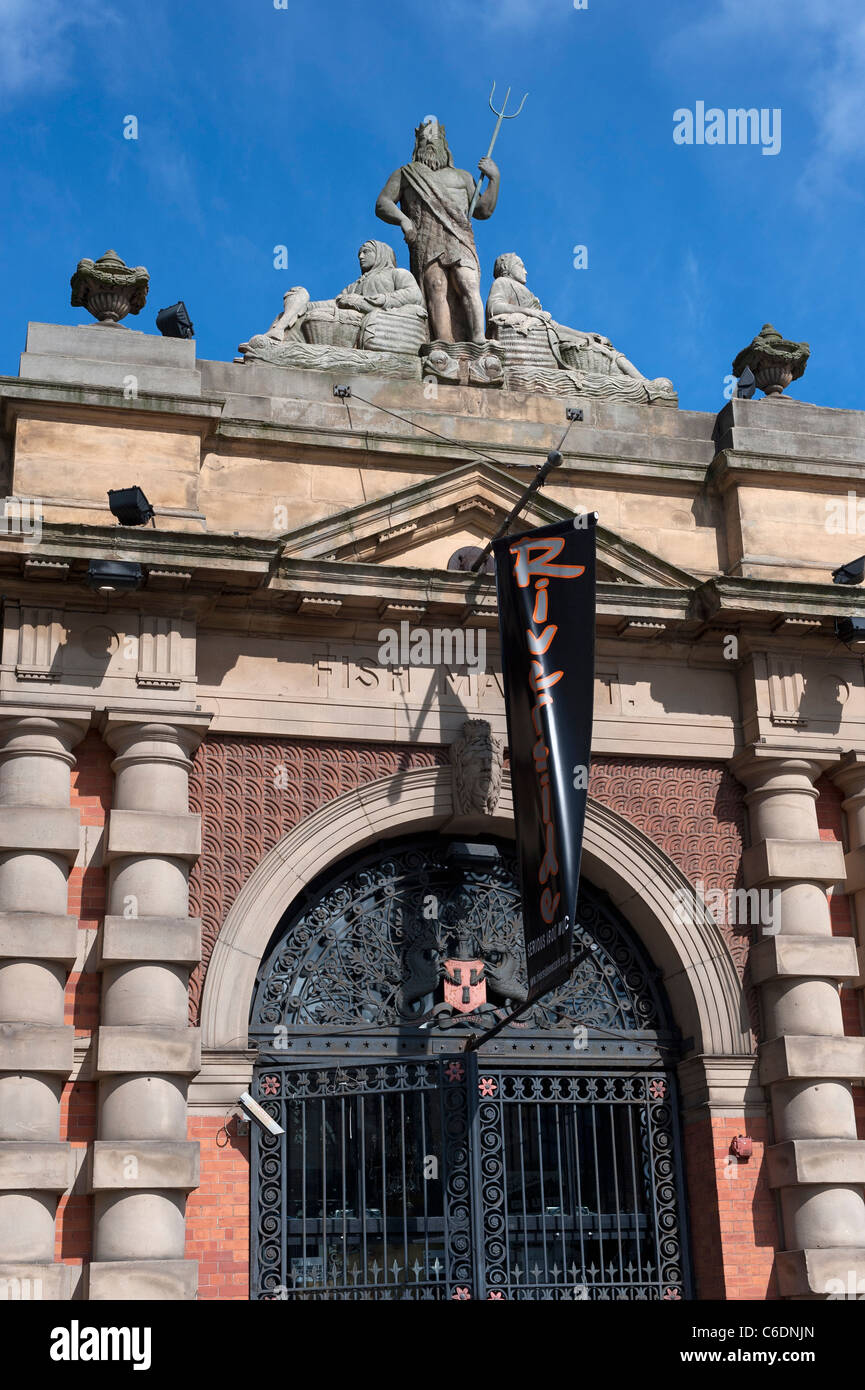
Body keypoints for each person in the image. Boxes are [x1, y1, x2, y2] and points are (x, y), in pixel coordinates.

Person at [375, 116, 499, 345]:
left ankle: (478, 339)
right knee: (435, 286)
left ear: (443, 142)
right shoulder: (406, 174)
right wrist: (404, 220)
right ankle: (443, 343)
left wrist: (494, 179)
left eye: (434, 136)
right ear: (418, 144)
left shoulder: (463, 177)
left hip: (459, 236)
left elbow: (483, 211)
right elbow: (383, 203)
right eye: (424, 138)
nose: (429, 141)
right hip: (426, 237)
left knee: (468, 283)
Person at [264, 239, 425, 344]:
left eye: (366, 252)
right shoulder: (354, 285)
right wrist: (306, 306)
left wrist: (367, 301)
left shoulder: (397, 274)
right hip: (344, 318)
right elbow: (336, 302)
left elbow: (414, 295)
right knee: (294, 313)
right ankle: (275, 339)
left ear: (380, 254)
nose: (361, 256)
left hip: (371, 323)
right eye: (359, 254)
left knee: (315, 319)